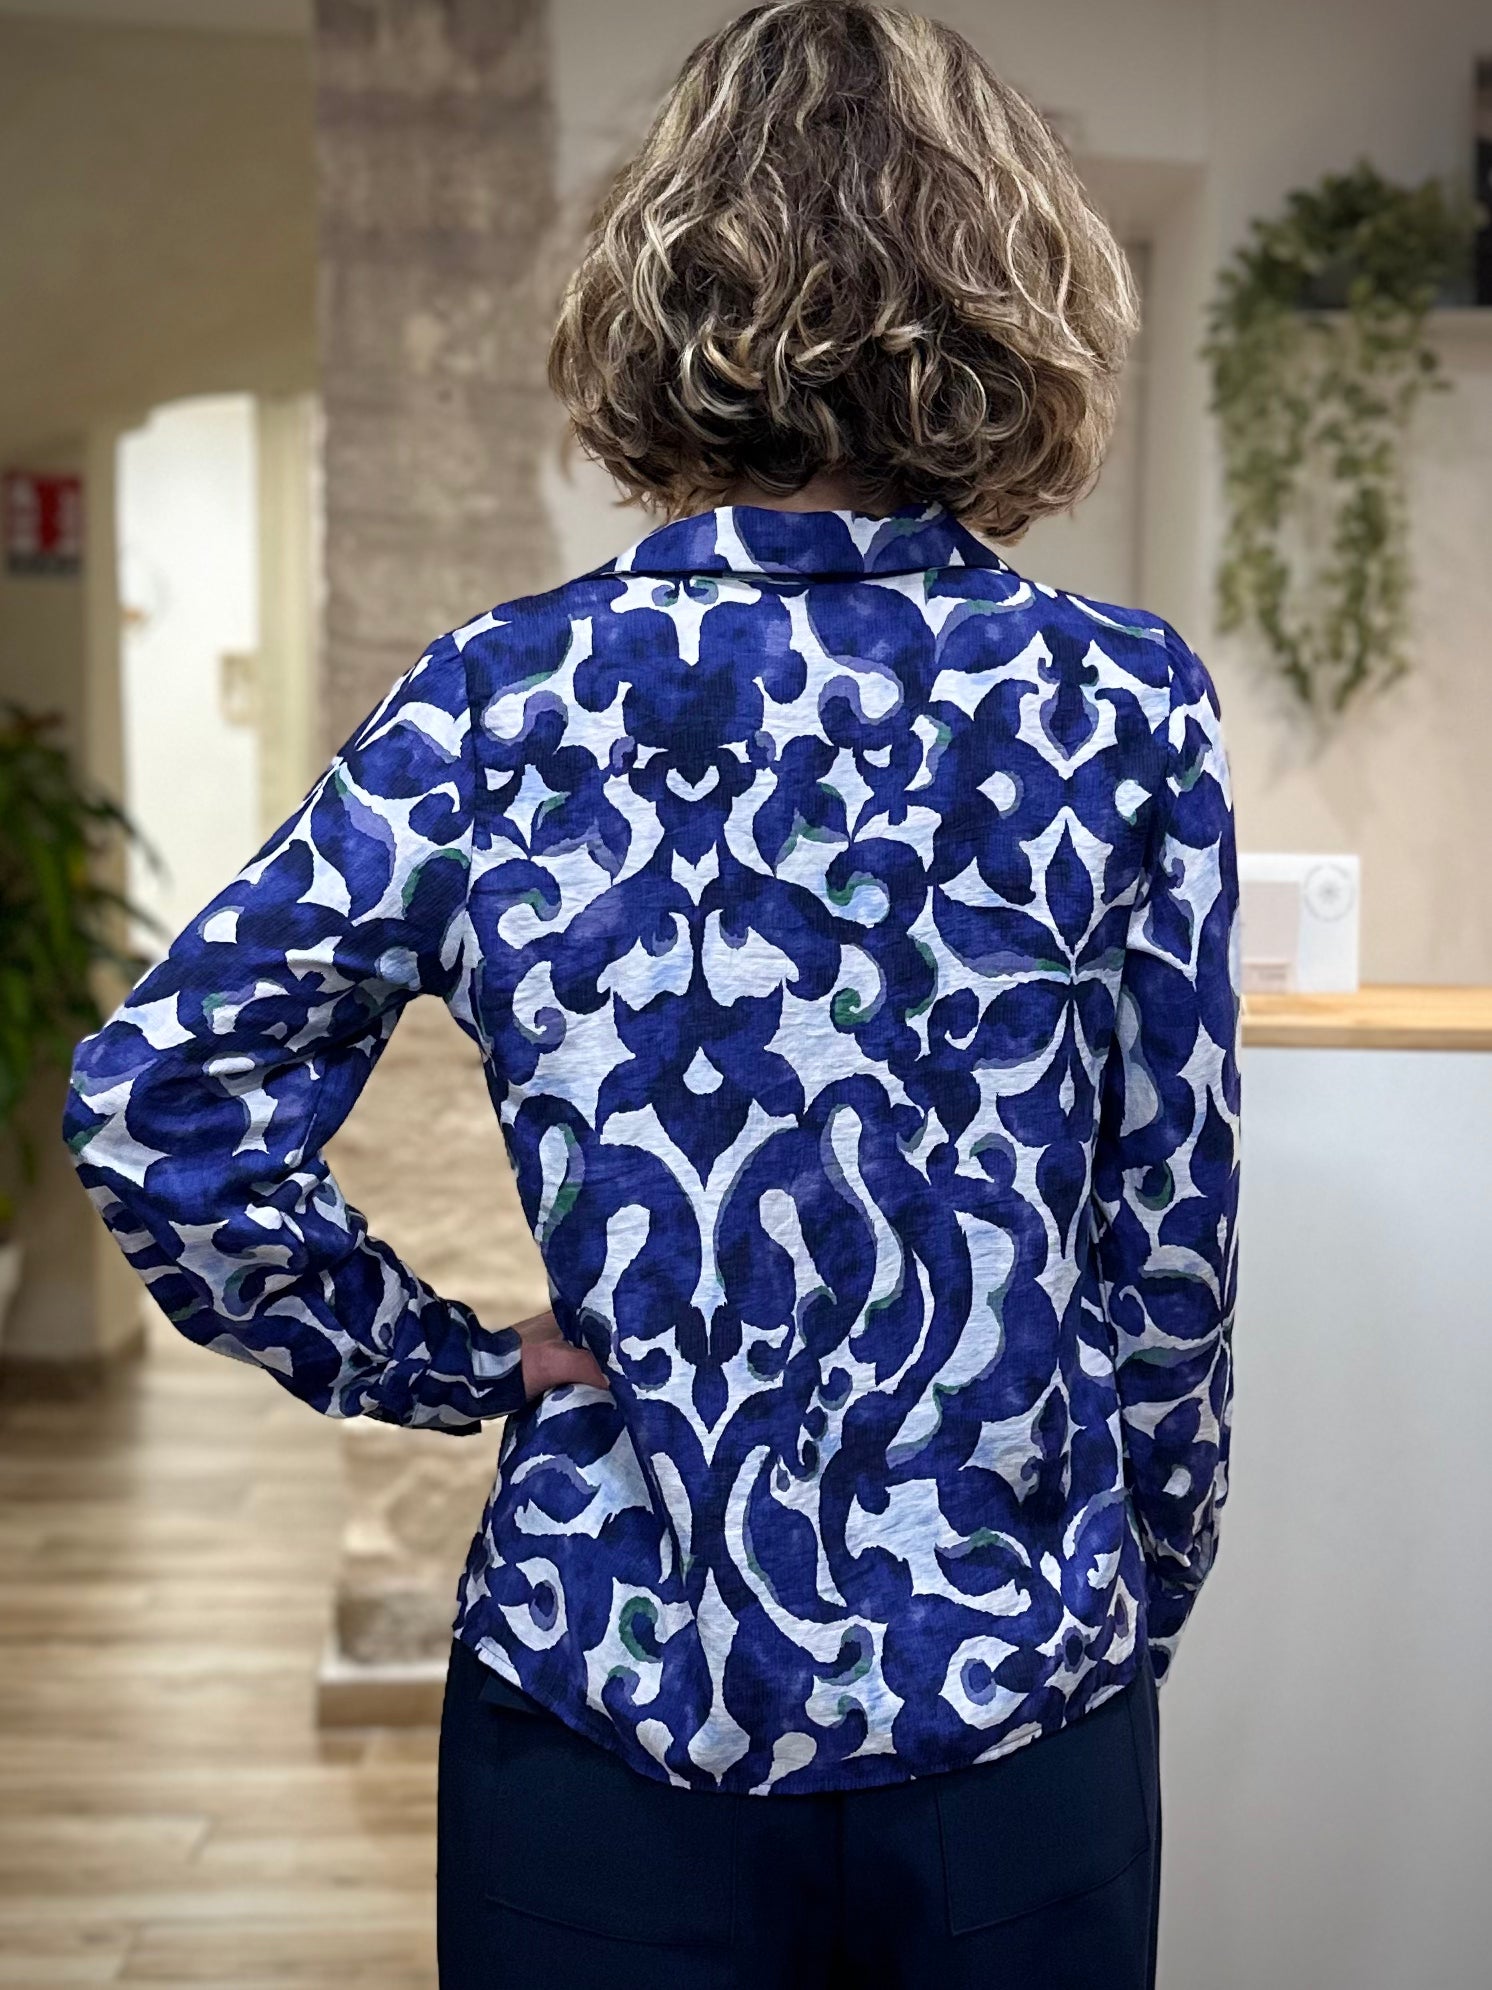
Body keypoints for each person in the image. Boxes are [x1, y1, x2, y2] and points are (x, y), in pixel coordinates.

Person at [62, 2, 1242, 1983]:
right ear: (1010, 297)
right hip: (1009, 1700)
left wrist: (441, 1365)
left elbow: (159, 1105)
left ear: (658, 295)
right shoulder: (1121, 704)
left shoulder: (502, 697)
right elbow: (1170, 1246)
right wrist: (1134, 1586)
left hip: (603, 1688)